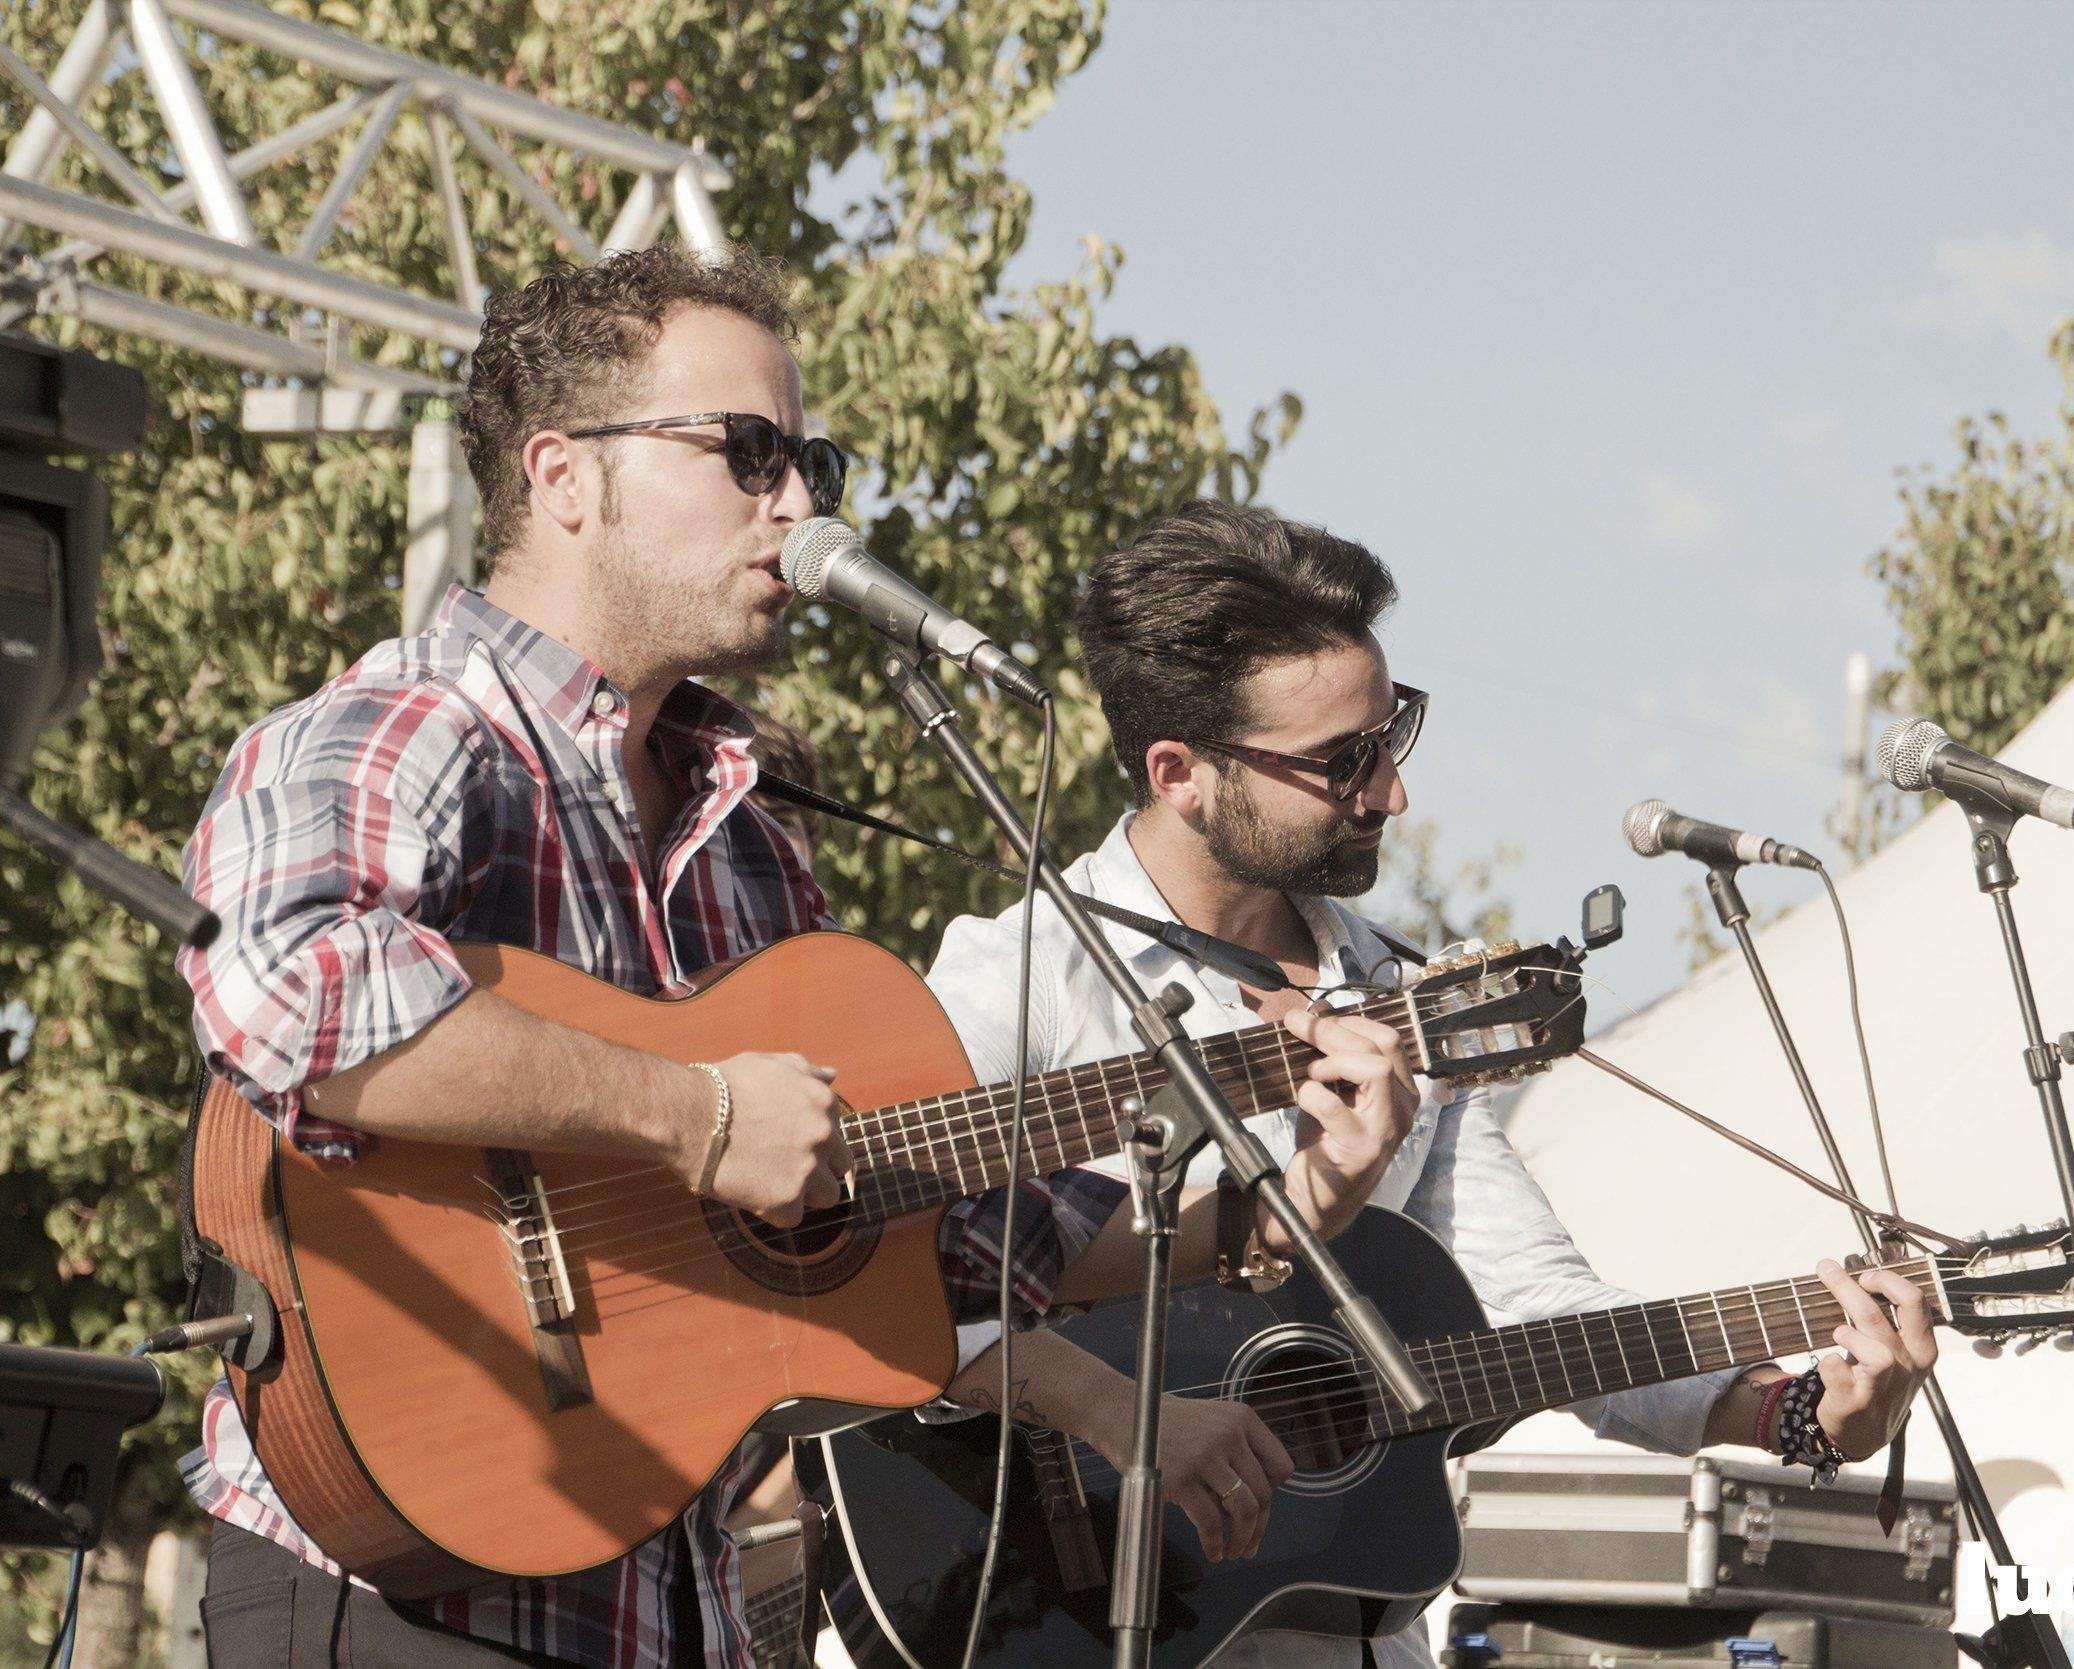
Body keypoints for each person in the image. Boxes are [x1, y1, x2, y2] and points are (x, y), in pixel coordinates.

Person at [174, 252, 1413, 1668]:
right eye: (748, 453)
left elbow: (935, 1247)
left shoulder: (753, 839)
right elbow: (288, 987)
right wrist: (692, 1115)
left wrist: (1278, 1202)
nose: (803, 506)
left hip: (670, 1603)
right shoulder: (411, 730)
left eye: (809, 457)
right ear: (565, 476)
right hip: (402, 1595)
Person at [904, 501, 1941, 1669]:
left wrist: (1789, 1405)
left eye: (1390, 734)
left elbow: (1533, 1306)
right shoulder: (1019, 976)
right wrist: (1112, 1411)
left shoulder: (1399, 990)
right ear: (1178, 772)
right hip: (1044, 1614)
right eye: (1341, 761)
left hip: (1347, 1638)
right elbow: (870, 1286)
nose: (1389, 792)